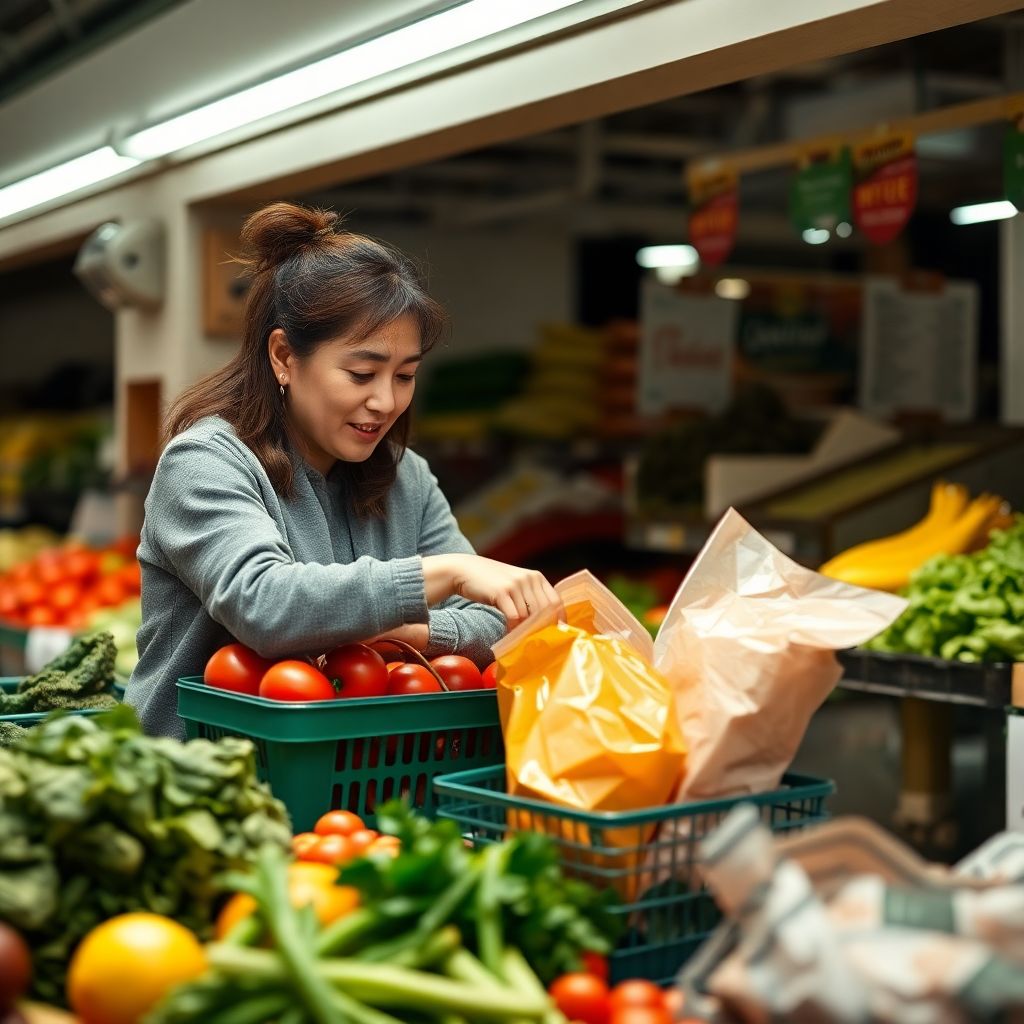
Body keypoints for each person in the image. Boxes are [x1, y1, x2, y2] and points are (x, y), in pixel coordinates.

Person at [126, 201, 561, 738]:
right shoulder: (206, 463)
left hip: (355, 772)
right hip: (200, 787)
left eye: (405, 376)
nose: (385, 401)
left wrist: (404, 633)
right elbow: (263, 604)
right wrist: (441, 574)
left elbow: (497, 623)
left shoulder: (408, 479)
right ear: (284, 357)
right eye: (361, 373)